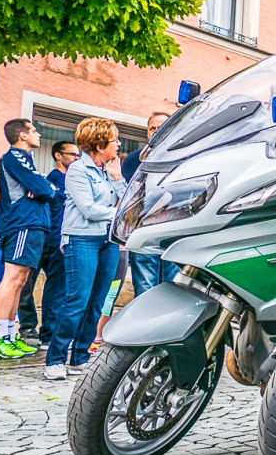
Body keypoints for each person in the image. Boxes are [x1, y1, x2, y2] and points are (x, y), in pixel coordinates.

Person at [44, 118, 126, 381]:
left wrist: (118, 178)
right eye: (114, 140)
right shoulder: (78, 170)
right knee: (76, 300)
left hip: (108, 241)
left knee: (98, 301)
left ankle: (79, 357)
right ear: (100, 144)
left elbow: (125, 203)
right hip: (82, 239)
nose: (118, 144)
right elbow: (89, 209)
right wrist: (117, 214)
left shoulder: (107, 171)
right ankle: (55, 360)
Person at [0, 119, 57, 358]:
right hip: (21, 225)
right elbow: (45, 189)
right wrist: (43, 188)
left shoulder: (26, 160)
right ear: (21, 135)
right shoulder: (15, 157)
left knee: (20, 281)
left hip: (33, 225)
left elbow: (46, 188)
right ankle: (0, 336)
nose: (38, 134)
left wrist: (44, 188)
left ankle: (10, 334)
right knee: (12, 279)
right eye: (34, 130)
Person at [16, 140, 78, 347]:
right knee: (28, 284)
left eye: (78, 155)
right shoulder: (54, 179)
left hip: (56, 238)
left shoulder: (70, 179)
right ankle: (35, 330)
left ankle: (47, 332)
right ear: (58, 156)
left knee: (55, 286)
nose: (76, 158)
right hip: (48, 238)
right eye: (72, 154)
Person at [126, 111, 178, 298]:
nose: (156, 132)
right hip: (144, 230)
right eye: (152, 128)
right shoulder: (135, 159)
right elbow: (127, 196)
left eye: (161, 126)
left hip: (174, 230)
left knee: (172, 288)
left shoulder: (185, 157)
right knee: (145, 288)